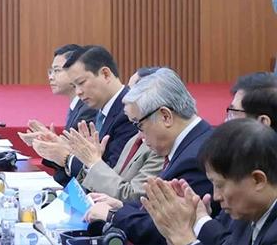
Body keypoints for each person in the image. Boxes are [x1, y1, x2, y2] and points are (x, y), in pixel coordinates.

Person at [86, 68, 213, 245]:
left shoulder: (197, 157)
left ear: (165, 116)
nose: (139, 136)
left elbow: (169, 228)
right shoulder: (191, 143)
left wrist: (113, 215)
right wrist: (122, 207)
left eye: (139, 125)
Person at [141, 119, 277, 245]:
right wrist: (197, 217)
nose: (216, 196)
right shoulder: (250, 211)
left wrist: (183, 238)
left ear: (258, 180)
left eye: (219, 185)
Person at [31, 46, 139, 185]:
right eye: (74, 86)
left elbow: (113, 177)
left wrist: (67, 157)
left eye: (81, 83)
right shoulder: (103, 109)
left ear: (105, 74)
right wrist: (62, 147)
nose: (78, 92)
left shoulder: (128, 113)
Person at [63, 66, 167, 202]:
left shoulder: (159, 146)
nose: (125, 98)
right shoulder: (135, 139)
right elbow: (112, 182)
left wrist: (94, 162)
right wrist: (90, 164)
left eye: (131, 92)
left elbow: (132, 197)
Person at [19, 44, 99, 185]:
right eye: (50, 71)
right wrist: (50, 142)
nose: (51, 77)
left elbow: (78, 162)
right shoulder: (77, 106)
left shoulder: (88, 110)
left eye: (56, 71)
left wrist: (52, 145)